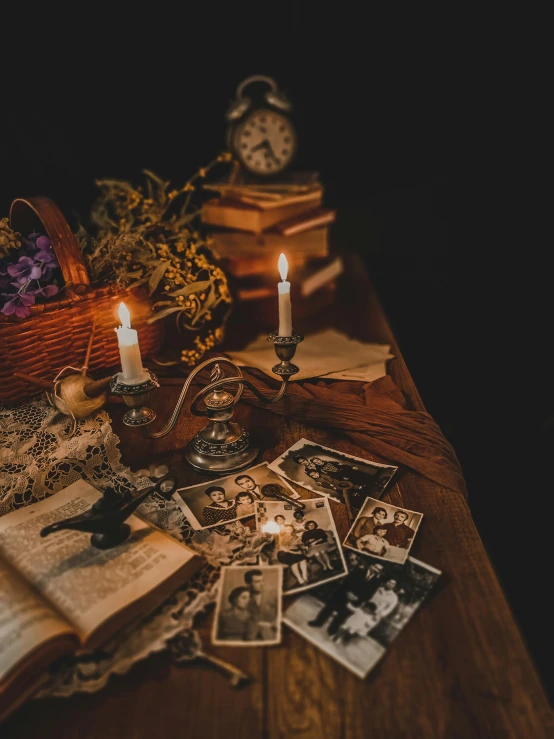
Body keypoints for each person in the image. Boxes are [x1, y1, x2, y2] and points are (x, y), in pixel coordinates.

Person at [308, 561, 384, 634]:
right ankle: (318, 622)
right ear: (371, 566)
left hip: (355, 600)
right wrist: (348, 592)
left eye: (379, 569)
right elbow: (347, 581)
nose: (376, 569)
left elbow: (369, 594)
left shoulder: (376, 581)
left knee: (342, 615)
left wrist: (358, 598)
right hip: (343, 593)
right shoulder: (359, 570)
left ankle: (332, 630)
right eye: (375, 567)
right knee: (329, 608)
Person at [244, 569, 277, 639]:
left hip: (271, 635)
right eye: (257, 582)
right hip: (251, 638)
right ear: (248, 584)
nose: (262, 584)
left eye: (262, 580)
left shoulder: (273, 595)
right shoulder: (243, 598)